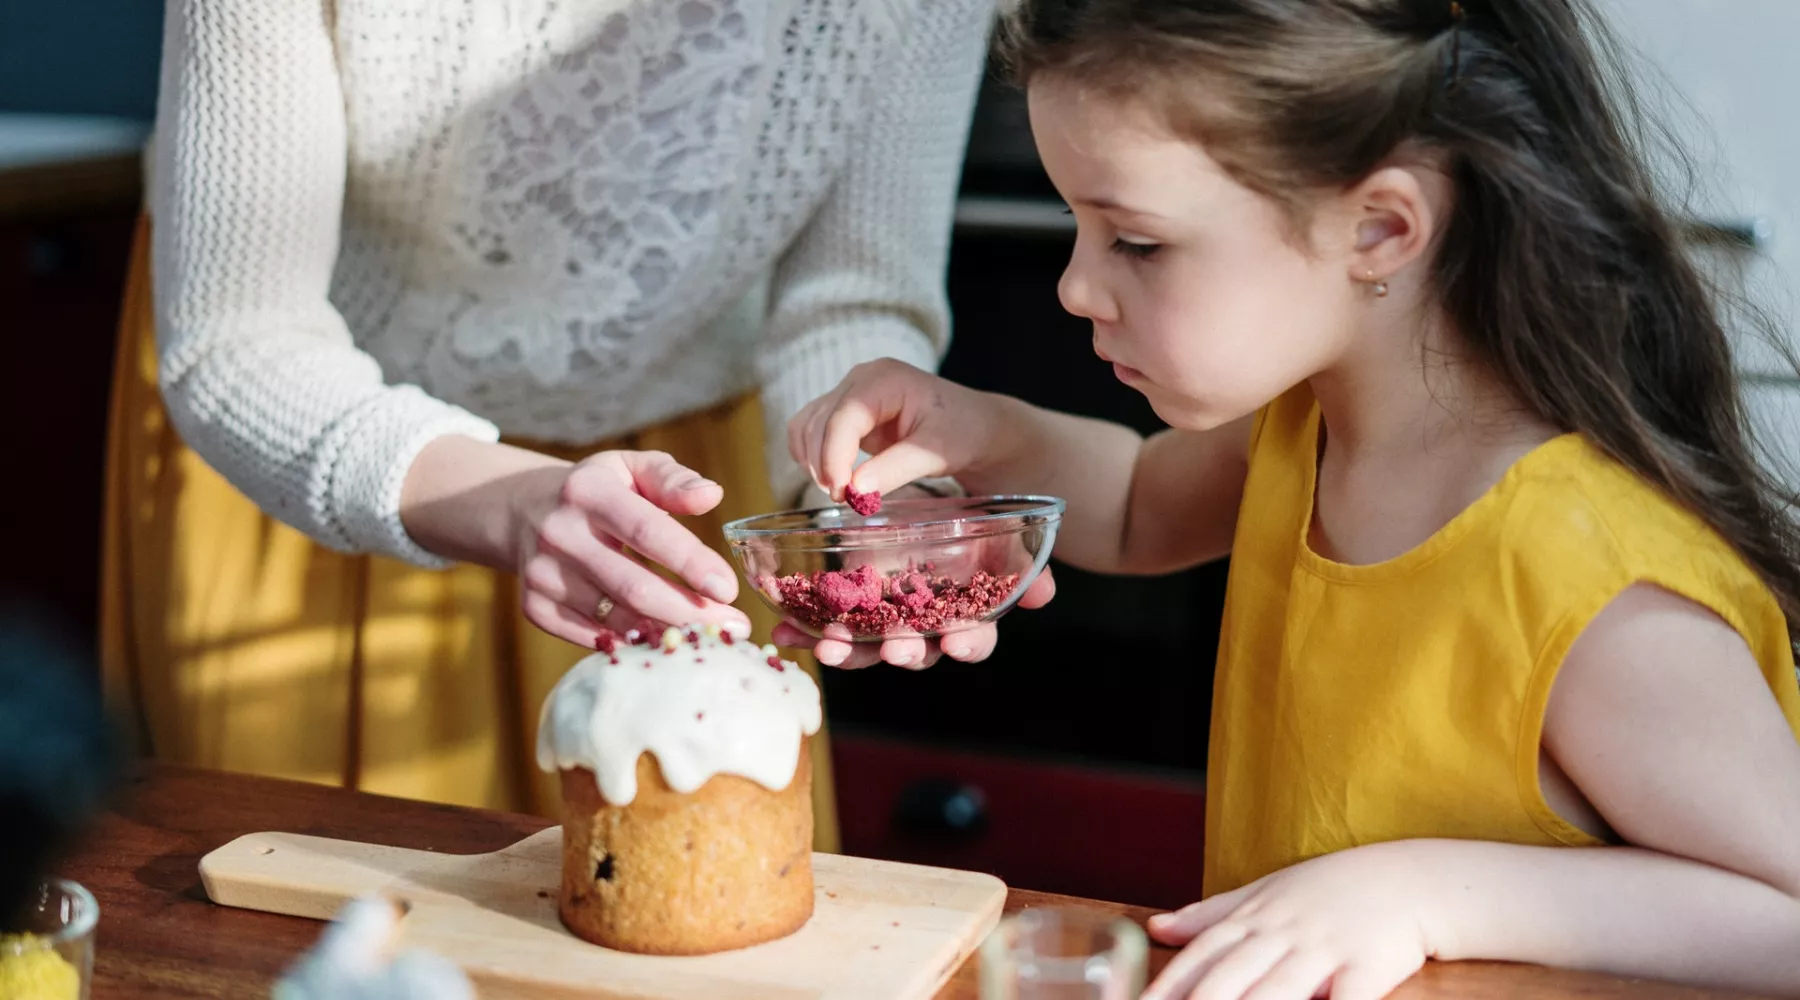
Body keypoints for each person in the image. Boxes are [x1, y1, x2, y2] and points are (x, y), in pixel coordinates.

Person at [784, 0, 1800, 996]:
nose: (1076, 288)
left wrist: (1427, 897)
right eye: (1076, 225)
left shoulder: (1590, 584)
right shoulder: (1301, 430)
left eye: (1134, 240)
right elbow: (1135, 505)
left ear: (1380, 228)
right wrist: (972, 432)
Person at [100, 0, 1002, 847]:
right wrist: (510, 498)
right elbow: (238, 338)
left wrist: (875, 494)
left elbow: (849, 302)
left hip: (676, 514)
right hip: (329, 470)